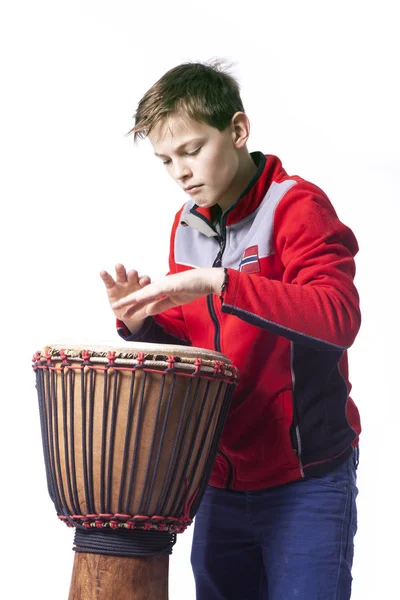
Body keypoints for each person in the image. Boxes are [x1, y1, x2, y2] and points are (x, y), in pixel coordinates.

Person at [100, 60, 361, 600]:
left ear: (238, 130)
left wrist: (223, 281)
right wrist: (141, 320)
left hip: (305, 477)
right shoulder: (187, 224)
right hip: (220, 478)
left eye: (192, 150)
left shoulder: (297, 206)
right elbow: (201, 343)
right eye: (166, 160)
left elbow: (338, 317)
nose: (180, 171)